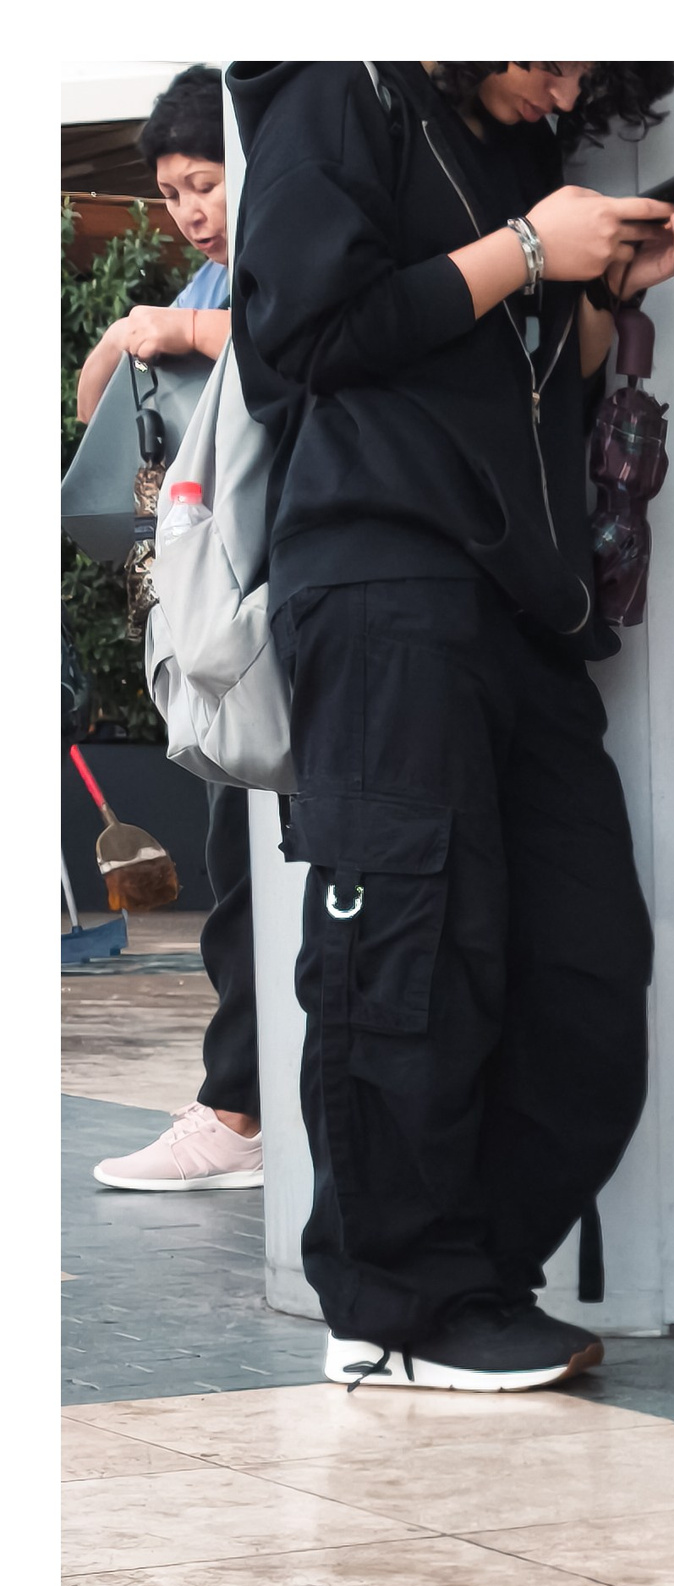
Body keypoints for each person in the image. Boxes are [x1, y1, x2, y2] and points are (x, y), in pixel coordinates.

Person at [228, 60, 674, 1389]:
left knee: (581, 966)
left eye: (585, 64)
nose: (560, 81)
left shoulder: (517, 148)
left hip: (518, 603)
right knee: (409, 949)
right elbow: (298, 341)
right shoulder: (340, 97)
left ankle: (470, 1276)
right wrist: (525, 251)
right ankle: (393, 1306)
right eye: (542, 49)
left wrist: (610, 289)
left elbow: (505, 374)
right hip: (383, 580)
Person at [86, 66, 266, 1197]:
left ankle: (239, 1109)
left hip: (274, 598)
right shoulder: (211, 275)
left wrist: (185, 323)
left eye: (206, 182)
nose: (193, 211)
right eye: (171, 194)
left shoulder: (292, 262)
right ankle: (242, 1104)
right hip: (220, 605)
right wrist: (134, 327)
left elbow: (303, 336)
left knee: (255, 861)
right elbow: (102, 390)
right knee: (234, 853)